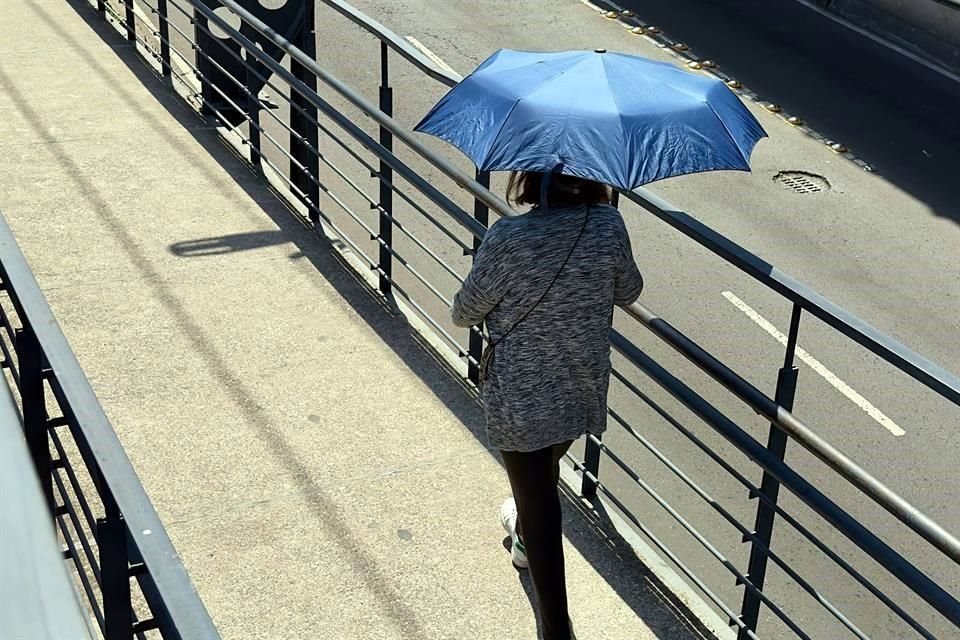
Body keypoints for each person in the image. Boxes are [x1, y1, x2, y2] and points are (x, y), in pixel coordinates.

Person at [451, 170, 643, 639]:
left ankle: (557, 629)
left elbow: (463, 312)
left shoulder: (509, 236)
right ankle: (521, 532)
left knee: (540, 501)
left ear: (528, 177)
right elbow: (629, 290)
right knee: (539, 481)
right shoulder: (607, 224)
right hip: (579, 382)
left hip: (520, 392)